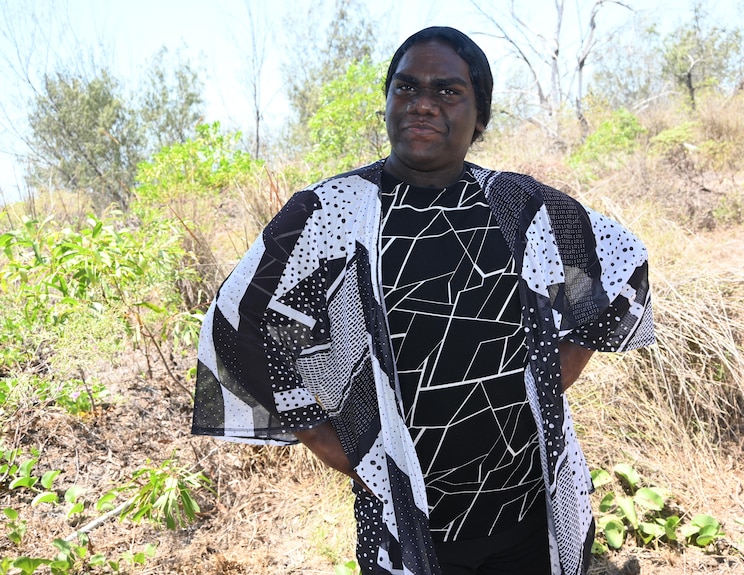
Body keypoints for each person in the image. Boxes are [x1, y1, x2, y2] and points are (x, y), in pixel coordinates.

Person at [191, 26, 653, 575]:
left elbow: (621, 268)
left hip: (532, 512)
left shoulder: (518, 205)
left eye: (448, 91)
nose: (423, 105)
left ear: (480, 116)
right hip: (407, 523)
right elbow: (238, 325)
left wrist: (549, 382)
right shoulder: (330, 213)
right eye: (406, 89)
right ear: (387, 103)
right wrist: (331, 443)